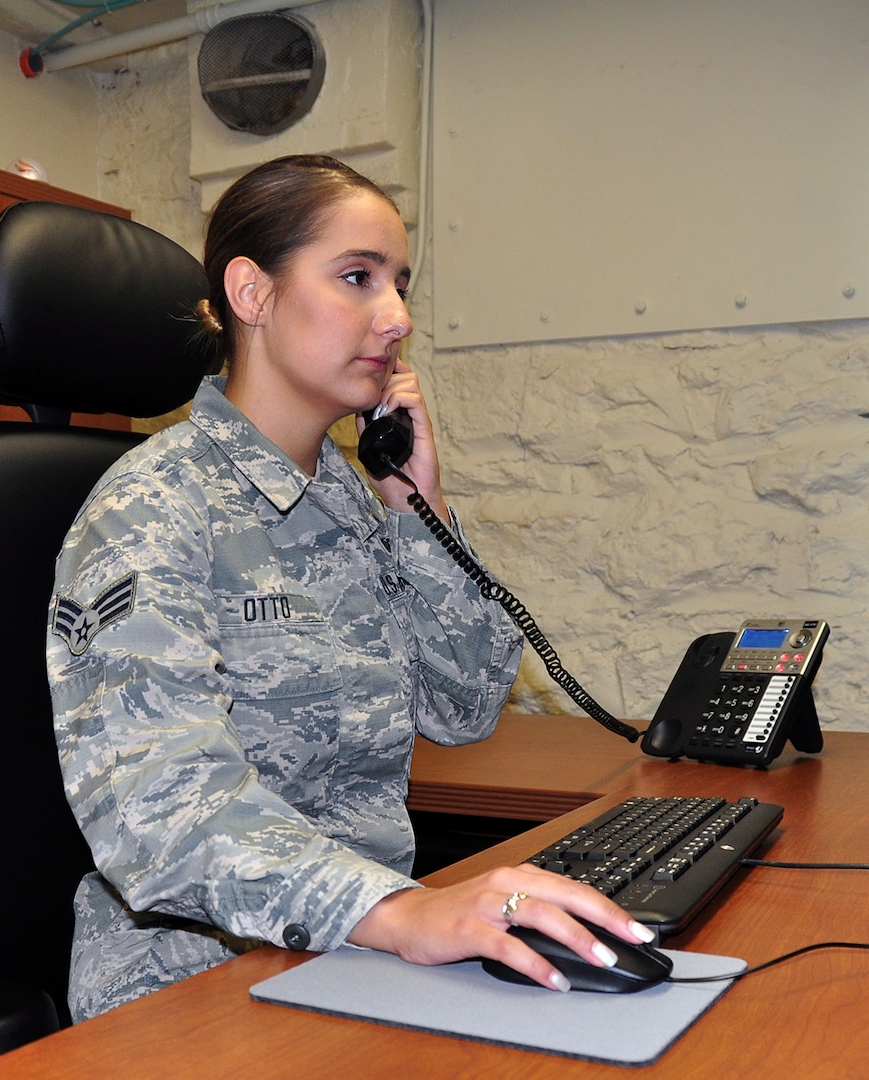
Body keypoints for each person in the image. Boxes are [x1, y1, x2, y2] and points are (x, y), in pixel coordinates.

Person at [47, 154, 653, 1020]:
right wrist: (402, 911)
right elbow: (158, 812)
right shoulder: (151, 509)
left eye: (401, 285)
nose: (397, 317)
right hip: (188, 981)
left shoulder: (345, 496)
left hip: (356, 950)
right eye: (357, 278)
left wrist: (419, 503)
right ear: (252, 294)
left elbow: (461, 706)